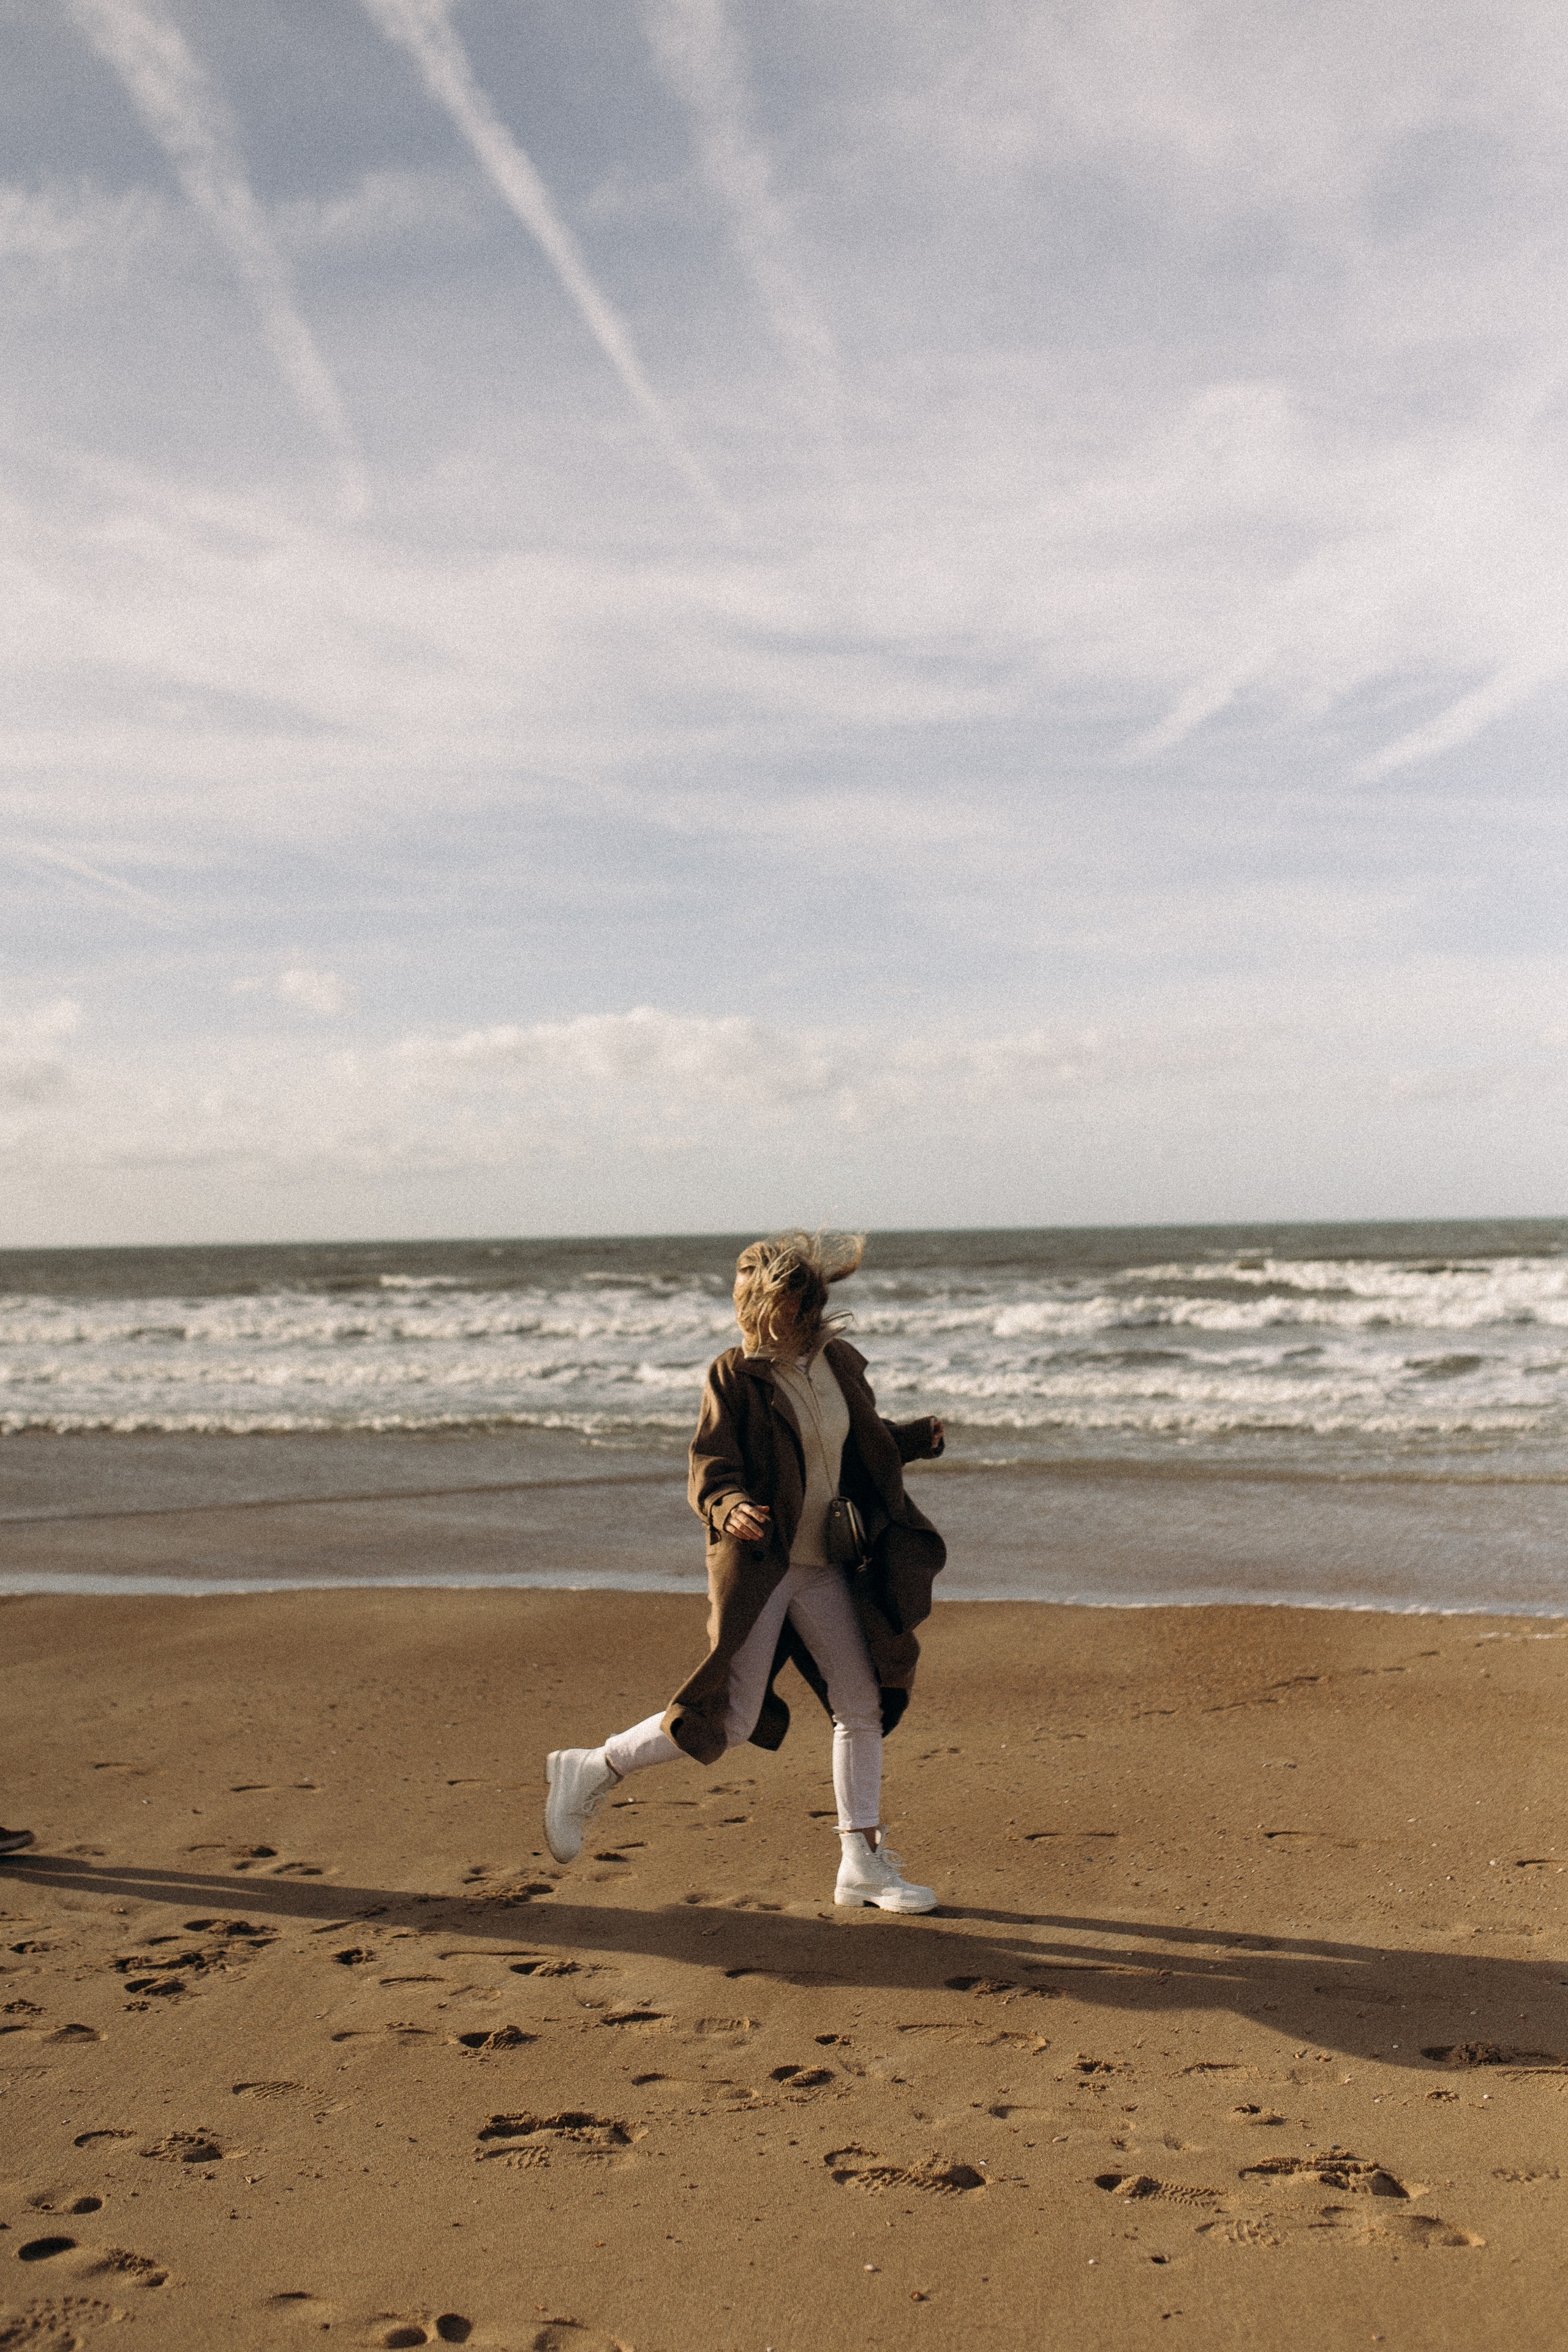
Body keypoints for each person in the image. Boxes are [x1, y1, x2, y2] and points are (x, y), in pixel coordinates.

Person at [545, 1230, 948, 1913]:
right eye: (787, 1302)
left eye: (806, 1300)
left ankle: (861, 1862)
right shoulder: (735, 1375)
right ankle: (596, 1765)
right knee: (732, 1719)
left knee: (862, 1704)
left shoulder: (838, 1362)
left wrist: (912, 1439)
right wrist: (727, 1506)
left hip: (823, 1565)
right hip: (762, 1566)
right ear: (759, 1304)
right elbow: (710, 1464)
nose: (798, 1314)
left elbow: (855, 1446)